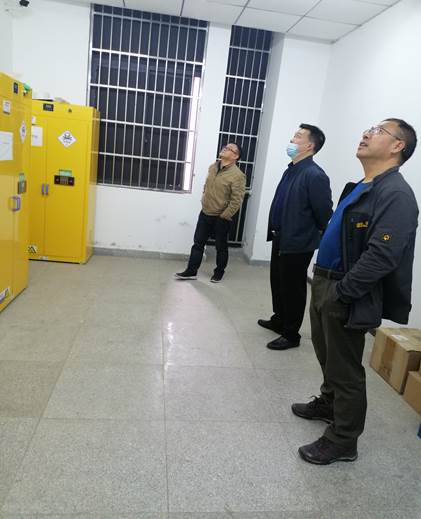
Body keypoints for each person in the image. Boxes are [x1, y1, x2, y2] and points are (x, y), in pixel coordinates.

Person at [293, 118, 418, 465]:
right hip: (325, 281)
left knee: (345, 369)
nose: (366, 133)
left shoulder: (396, 194)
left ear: (397, 146)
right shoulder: (363, 185)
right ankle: (329, 403)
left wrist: (344, 292)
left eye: (378, 131)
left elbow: (383, 254)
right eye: (369, 129)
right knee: (326, 354)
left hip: (345, 289)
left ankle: (343, 440)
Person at [258, 124, 333, 350]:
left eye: (298, 136)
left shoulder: (315, 175)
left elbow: (324, 213)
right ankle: (279, 320)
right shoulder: (292, 169)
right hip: (281, 237)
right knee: (278, 282)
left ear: (310, 146)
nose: (292, 140)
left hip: (298, 242)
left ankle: (291, 334)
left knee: (293, 288)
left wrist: (307, 233)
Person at [175, 142, 246, 283]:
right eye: (225, 147)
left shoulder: (238, 175)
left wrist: (224, 216)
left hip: (221, 217)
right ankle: (191, 271)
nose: (225, 149)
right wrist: (204, 198)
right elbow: (207, 185)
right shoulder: (213, 167)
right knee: (198, 243)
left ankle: (219, 272)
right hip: (205, 213)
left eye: (230, 149)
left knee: (221, 247)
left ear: (236, 156)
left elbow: (237, 200)